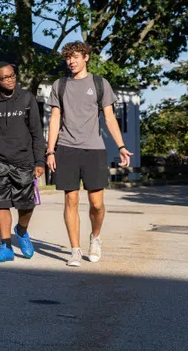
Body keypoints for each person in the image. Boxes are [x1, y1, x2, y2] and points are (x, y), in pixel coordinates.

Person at [46, 41, 132, 267]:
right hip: (66, 148)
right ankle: (74, 250)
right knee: (71, 199)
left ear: (86, 57)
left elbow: (110, 117)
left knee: (96, 203)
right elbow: (55, 118)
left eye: (75, 57)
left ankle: (95, 237)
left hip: (94, 149)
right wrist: (50, 150)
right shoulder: (60, 85)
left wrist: (121, 146)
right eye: (67, 58)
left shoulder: (99, 83)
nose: (71, 62)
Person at [0, 61, 46, 262]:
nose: (10, 79)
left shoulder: (26, 99)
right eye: (5, 77)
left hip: (24, 161)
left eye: (12, 75)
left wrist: (39, 161)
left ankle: (21, 230)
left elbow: (36, 133)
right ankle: (5, 246)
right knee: (1, 203)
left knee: (26, 205)